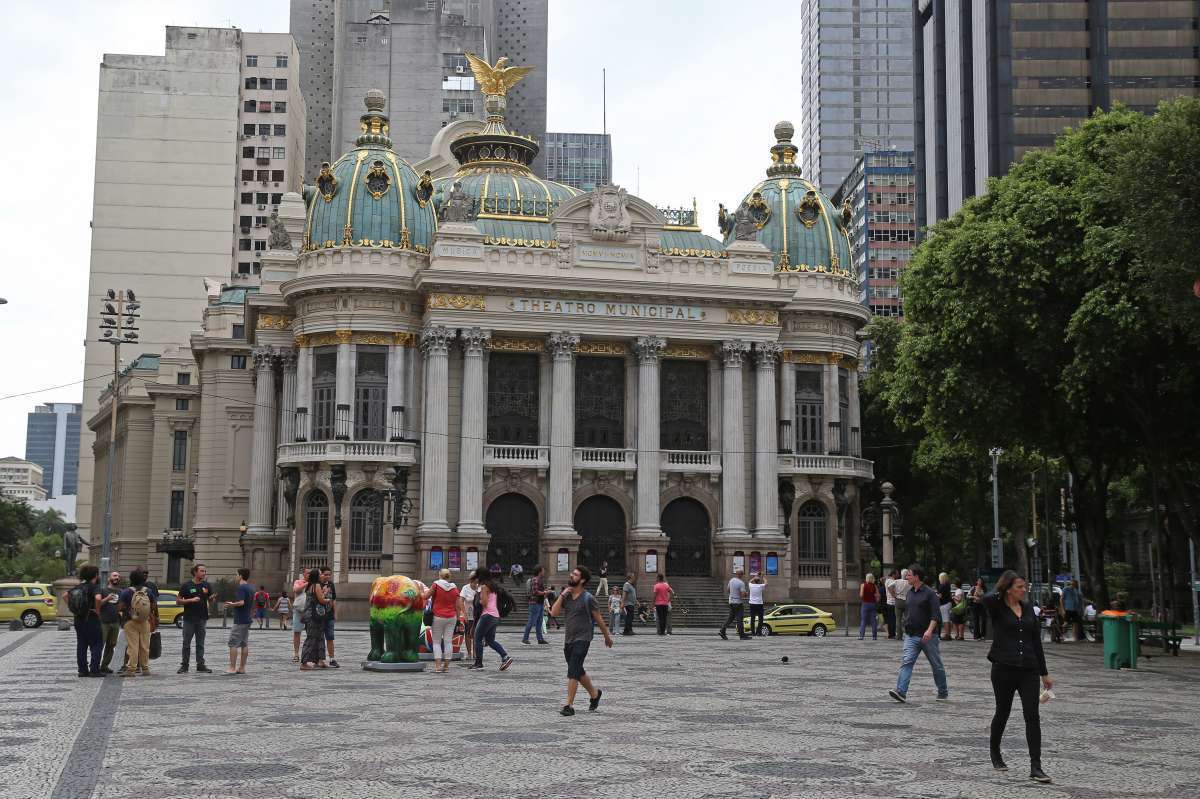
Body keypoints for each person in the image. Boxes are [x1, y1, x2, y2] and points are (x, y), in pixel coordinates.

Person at [983, 570, 1053, 783]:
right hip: (1003, 669)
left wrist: (1044, 673)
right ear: (1008, 589)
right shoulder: (997, 607)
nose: (1024, 590)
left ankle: (1036, 766)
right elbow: (986, 598)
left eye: (1025, 587)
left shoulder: (1029, 609)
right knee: (1002, 712)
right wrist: (1000, 590)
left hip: (1029, 669)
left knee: (1032, 715)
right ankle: (995, 752)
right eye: (1020, 587)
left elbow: (1036, 642)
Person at [550, 565, 613, 716]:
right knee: (577, 670)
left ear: (582, 579)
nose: (572, 575)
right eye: (572, 573)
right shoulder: (567, 595)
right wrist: (562, 595)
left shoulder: (588, 598)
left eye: (575, 574)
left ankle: (568, 705)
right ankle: (595, 694)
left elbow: (599, 619)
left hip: (583, 639)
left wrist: (606, 637)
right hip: (569, 639)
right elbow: (553, 612)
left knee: (573, 671)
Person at [888, 564, 948, 703]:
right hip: (911, 635)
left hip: (928, 637)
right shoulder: (909, 593)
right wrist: (905, 623)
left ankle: (943, 691)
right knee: (906, 662)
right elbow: (908, 612)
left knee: (936, 665)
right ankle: (901, 692)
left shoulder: (930, 593)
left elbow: (936, 615)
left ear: (916, 577)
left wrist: (929, 630)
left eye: (909, 575)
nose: (906, 577)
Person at [468, 567, 513, 671]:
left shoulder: (484, 586)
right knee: (490, 640)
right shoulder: (492, 586)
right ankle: (505, 657)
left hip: (487, 615)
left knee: (477, 638)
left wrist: (476, 600)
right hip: (495, 616)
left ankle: (478, 663)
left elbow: (484, 602)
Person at [117, 568, 157, 677]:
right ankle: (145, 669)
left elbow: (119, 607)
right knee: (144, 646)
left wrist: (128, 609)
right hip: (145, 621)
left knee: (133, 646)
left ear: (131, 579)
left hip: (130, 621)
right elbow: (153, 606)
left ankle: (131, 670)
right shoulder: (148, 591)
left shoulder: (126, 591)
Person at [177, 564, 213, 674]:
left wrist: (211, 598)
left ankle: (200, 665)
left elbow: (210, 601)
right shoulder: (186, 585)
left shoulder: (206, 585)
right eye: (202, 571)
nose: (204, 573)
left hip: (202, 618)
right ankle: (184, 665)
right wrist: (190, 600)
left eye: (205, 571)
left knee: (200, 643)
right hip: (189, 619)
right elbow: (178, 601)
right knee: (186, 643)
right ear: (195, 572)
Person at [426, 568, 463, 673]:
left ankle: (438, 666)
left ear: (439, 575)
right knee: (448, 641)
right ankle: (446, 666)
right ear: (449, 576)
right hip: (451, 617)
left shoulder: (436, 585)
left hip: (438, 616)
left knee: (436, 642)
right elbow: (457, 605)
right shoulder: (454, 587)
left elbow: (426, 596)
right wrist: (458, 618)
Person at [71, 565, 103, 678]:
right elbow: (98, 598)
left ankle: (82, 670)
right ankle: (94, 670)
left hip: (78, 619)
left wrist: (74, 609)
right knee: (97, 644)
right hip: (92, 619)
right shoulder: (95, 587)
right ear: (95, 575)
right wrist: (98, 611)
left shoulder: (77, 587)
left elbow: (66, 595)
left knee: (81, 644)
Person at [222, 567, 254, 675]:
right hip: (247, 619)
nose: (235, 576)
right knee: (244, 644)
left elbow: (241, 602)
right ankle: (242, 668)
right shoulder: (250, 587)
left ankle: (232, 668)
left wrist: (231, 604)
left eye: (236, 574)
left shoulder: (241, 588)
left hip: (240, 619)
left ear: (240, 576)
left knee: (233, 644)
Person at [299, 568, 331, 670]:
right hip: (314, 615)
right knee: (312, 638)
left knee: (320, 637)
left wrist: (323, 593)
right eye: (320, 574)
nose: (322, 575)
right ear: (317, 576)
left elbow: (316, 598)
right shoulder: (316, 585)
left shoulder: (310, 586)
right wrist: (328, 599)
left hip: (311, 615)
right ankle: (304, 663)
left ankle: (320, 660)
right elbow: (321, 600)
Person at [97, 570, 123, 675]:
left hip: (115, 622)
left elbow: (120, 606)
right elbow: (98, 604)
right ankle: (95, 665)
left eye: (118, 576)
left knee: (111, 645)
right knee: (100, 644)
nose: (117, 577)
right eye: (115, 575)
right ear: (109, 578)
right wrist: (107, 598)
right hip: (104, 622)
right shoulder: (103, 590)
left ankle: (104, 666)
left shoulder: (121, 592)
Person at [719, 568, 750, 640]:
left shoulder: (731, 580)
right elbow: (742, 595)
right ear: (742, 575)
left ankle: (722, 630)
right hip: (738, 603)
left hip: (731, 602)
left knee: (730, 618)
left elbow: (728, 590)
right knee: (739, 619)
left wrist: (734, 594)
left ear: (736, 574)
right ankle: (742, 635)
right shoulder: (741, 583)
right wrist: (746, 594)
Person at [522, 565, 550, 645]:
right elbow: (535, 592)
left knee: (539, 622)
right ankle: (525, 638)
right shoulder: (535, 580)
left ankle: (540, 639)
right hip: (535, 603)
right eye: (543, 570)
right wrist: (544, 592)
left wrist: (545, 591)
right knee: (531, 621)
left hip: (540, 603)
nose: (544, 572)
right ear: (539, 571)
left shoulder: (539, 580)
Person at [319, 567, 340, 668]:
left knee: (330, 637)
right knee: (320, 637)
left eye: (329, 574)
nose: (328, 576)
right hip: (319, 615)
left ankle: (332, 659)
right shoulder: (317, 585)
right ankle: (320, 659)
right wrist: (323, 591)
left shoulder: (331, 584)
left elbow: (334, 599)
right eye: (325, 574)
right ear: (321, 574)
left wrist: (335, 613)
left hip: (329, 615)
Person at [459, 572, 479, 665]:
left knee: (476, 634)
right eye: (473, 581)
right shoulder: (465, 588)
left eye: (476, 581)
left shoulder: (480, 588)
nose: (475, 583)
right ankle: (469, 653)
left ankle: (475, 653)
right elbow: (461, 601)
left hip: (477, 615)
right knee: (467, 634)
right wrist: (464, 614)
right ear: (470, 580)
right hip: (468, 614)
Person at [290, 573, 308, 662]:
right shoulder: (298, 582)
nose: (309, 574)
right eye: (307, 573)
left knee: (311, 633)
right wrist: (306, 583)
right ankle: (296, 654)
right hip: (298, 611)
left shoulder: (316, 583)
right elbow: (296, 590)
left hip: (309, 611)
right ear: (304, 574)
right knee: (297, 632)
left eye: (310, 573)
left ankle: (309, 654)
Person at [859, 572, 878, 640]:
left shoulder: (863, 585)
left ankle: (861, 636)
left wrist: (863, 598)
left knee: (863, 620)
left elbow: (861, 595)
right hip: (873, 604)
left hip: (865, 604)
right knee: (873, 621)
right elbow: (878, 595)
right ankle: (874, 636)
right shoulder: (874, 586)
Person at [893, 567, 911, 634]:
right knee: (907, 618)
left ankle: (899, 635)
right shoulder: (909, 582)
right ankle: (908, 633)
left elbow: (889, 586)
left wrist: (893, 594)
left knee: (898, 619)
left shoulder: (896, 581)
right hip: (907, 601)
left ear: (901, 574)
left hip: (898, 600)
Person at [882, 569, 899, 639]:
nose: (898, 575)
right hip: (892, 602)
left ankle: (891, 634)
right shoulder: (892, 581)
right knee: (893, 619)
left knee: (890, 619)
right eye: (897, 574)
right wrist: (895, 595)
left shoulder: (887, 580)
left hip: (889, 602)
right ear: (893, 574)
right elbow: (890, 588)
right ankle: (892, 634)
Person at [937, 572, 954, 641]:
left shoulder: (942, 586)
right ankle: (949, 634)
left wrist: (935, 595)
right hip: (949, 603)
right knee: (948, 619)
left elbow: (940, 596)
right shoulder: (948, 585)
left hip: (943, 604)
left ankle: (947, 635)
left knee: (945, 620)